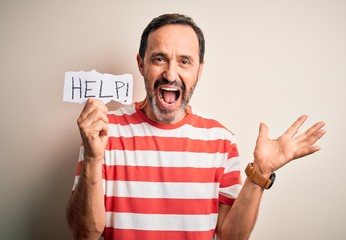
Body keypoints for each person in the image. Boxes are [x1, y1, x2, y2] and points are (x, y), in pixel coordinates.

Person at [66, 13, 326, 240]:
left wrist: (260, 173)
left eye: (184, 61)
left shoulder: (221, 141)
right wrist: (92, 156)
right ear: (141, 64)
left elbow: (230, 237)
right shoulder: (102, 132)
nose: (170, 74)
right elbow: (84, 234)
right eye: (159, 59)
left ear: (199, 70)